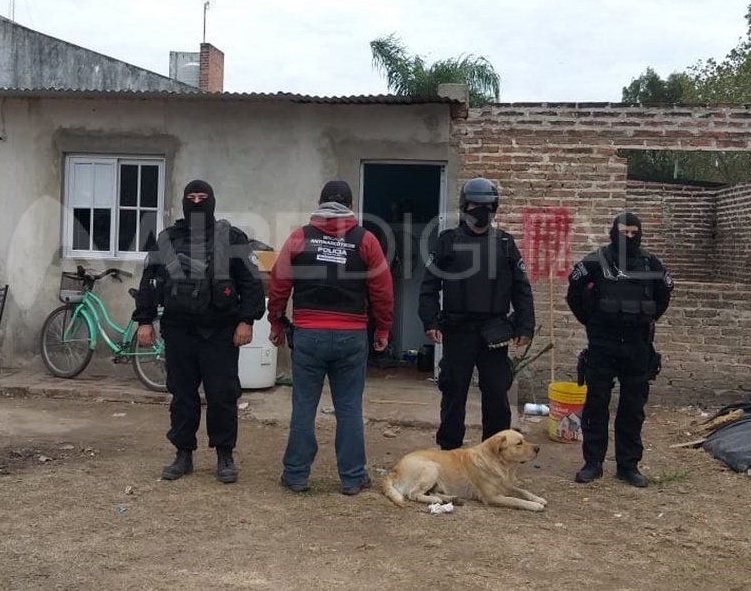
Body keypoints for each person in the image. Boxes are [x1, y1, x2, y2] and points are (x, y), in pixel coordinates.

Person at [133, 180, 265, 483]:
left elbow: (251, 283)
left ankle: (224, 455)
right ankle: (183, 454)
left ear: (212, 201)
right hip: (178, 331)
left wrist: (247, 320)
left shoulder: (231, 238)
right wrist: (143, 320)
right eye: (190, 197)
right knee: (182, 396)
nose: (196, 202)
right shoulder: (167, 239)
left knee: (222, 395)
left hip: (220, 331)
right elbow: (149, 282)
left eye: (202, 197)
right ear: (182, 202)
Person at [269, 180, 394, 495]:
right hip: (351, 336)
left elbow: (279, 281)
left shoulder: (299, 237)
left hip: (309, 335)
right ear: (351, 205)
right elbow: (382, 290)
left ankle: (296, 475)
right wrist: (382, 329)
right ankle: (352, 478)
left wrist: (276, 322)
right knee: (349, 407)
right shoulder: (365, 240)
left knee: (304, 407)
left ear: (319, 202)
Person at [419, 177, 535, 451]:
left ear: (494, 208)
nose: (480, 210)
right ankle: (449, 450)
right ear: (464, 206)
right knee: (453, 392)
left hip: (494, 331)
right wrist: (430, 320)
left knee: (496, 395)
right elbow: (429, 286)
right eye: (474, 205)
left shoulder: (505, 244)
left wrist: (525, 326)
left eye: (487, 205)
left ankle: (497, 452)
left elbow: (521, 288)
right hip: (458, 330)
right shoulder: (447, 241)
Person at [566, 212, 673, 487]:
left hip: (638, 345)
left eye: (633, 233)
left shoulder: (651, 263)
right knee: (597, 404)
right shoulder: (594, 261)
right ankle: (593, 463)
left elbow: (663, 297)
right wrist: (592, 322)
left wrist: (643, 320)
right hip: (602, 343)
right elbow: (574, 295)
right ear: (612, 232)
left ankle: (628, 465)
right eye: (623, 232)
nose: (628, 237)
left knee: (633, 408)